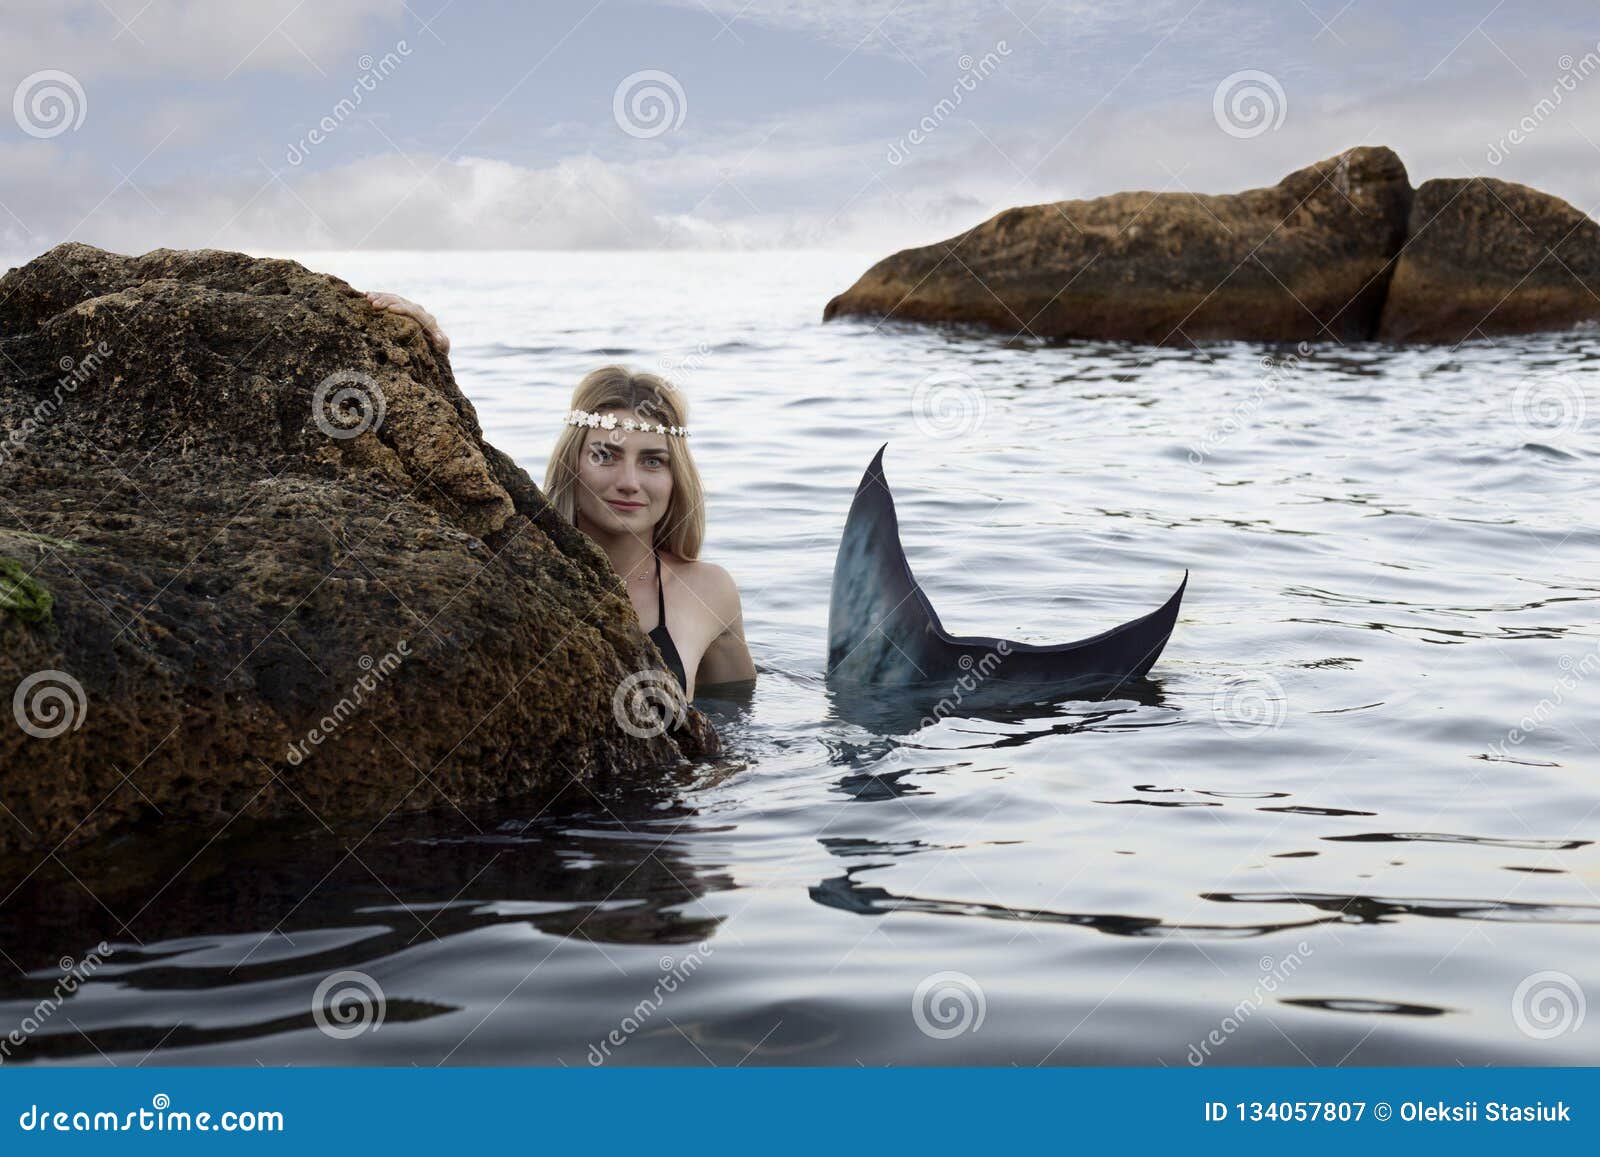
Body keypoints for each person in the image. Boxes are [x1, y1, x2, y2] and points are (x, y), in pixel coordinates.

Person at [364, 291, 756, 701]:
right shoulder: (519, 562)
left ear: (677, 478)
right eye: (606, 455)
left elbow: (735, 719)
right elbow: (441, 481)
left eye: (653, 462)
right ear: (573, 463)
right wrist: (427, 358)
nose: (629, 481)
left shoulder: (709, 591)